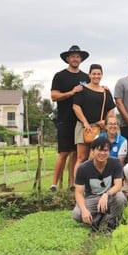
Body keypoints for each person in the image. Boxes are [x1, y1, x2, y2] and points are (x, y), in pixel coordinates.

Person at [50, 45, 90, 192]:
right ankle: (54, 184)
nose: (75, 59)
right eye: (72, 56)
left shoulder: (85, 77)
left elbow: (90, 92)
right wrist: (71, 92)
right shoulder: (60, 76)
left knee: (77, 153)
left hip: (80, 121)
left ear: (81, 59)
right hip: (64, 119)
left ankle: (72, 184)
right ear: (67, 58)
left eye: (78, 56)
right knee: (64, 152)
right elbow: (54, 96)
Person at [72, 137, 127, 232]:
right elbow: (79, 193)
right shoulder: (83, 168)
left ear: (109, 152)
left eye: (105, 150)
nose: (102, 153)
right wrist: (84, 210)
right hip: (92, 198)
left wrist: (106, 194)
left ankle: (112, 221)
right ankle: (98, 218)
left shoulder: (116, 163)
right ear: (92, 151)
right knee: (77, 214)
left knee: (120, 198)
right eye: (99, 150)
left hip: (110, 195)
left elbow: (118, 185)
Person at [73, 64, 116, 175]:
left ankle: (95, 184)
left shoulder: (106, 92)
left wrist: (105, 122)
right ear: (89, 75)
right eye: (94, 74)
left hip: (99, 129)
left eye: (98, 74)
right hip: (84, 127)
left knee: (98, 157)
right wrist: (85, 122)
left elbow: (111, 109)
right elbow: (76, 107)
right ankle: (78, 185)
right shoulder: (82, 89)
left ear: (102, 75)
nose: (96, 76)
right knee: (81, 158)